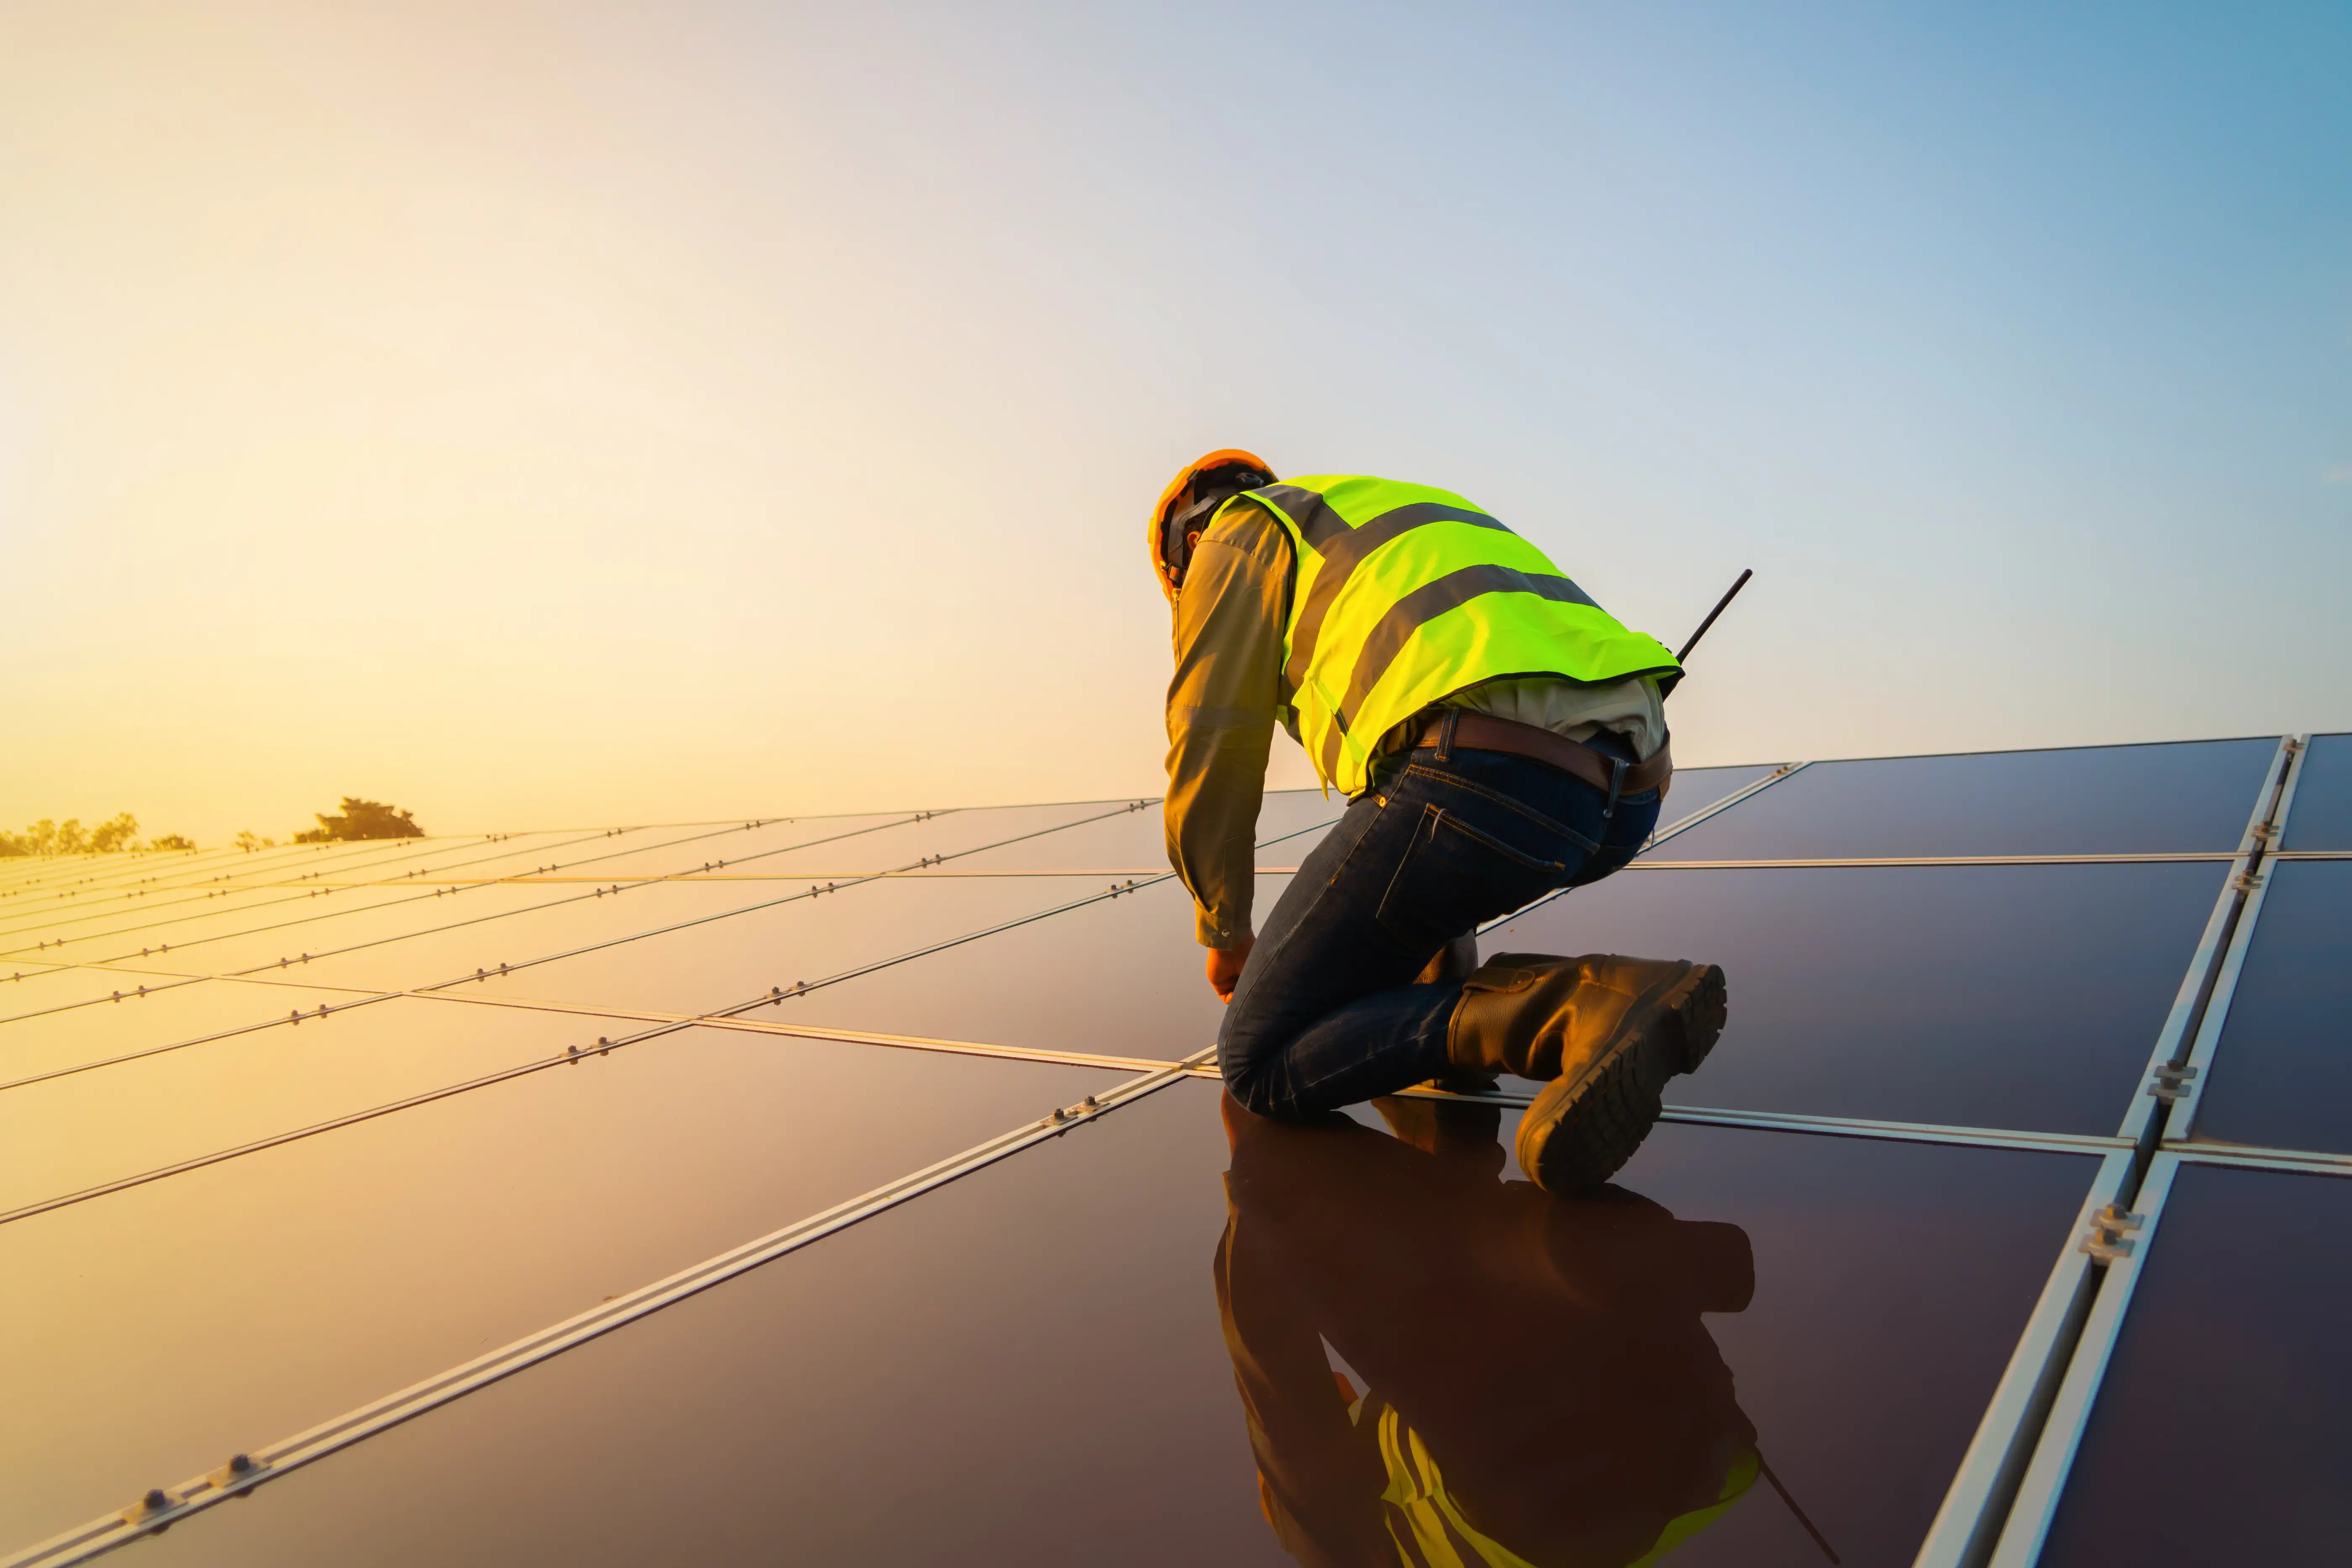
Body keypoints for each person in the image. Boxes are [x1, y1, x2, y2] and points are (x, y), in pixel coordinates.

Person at [1153, 451, 1728, 1192]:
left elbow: (1212, 741)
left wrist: (1224, 930)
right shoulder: (1379, 514)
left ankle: (1577, 1007)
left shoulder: (1234, 536)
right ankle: (1482, 1051)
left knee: (1258, 1060)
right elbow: (1422, 863)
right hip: (1626, 792)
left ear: (1182, 548)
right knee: (1418, 830)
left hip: (1490, 769)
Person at [1215, 1093, 1761, 1566]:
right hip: (1542, 1502)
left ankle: (1614, 1252)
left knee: (1495, 1279)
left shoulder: (1402, 1422)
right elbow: (1270, 1369)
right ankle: (1592, 1247)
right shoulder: (1326, 1540)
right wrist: (1253, 1164)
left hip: (1693, 1444)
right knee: (1279, 1177)